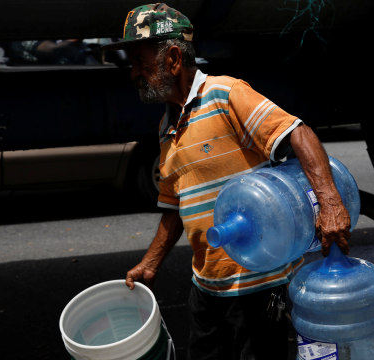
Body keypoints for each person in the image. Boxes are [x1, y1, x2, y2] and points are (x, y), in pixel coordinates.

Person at [103, 3, 351, 359]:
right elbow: (176, 205)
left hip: (261, 286)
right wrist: (152, 262)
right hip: (207, 288)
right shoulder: (165, 126)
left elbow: (299, 133)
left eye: (140, 63)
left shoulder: (225, 94)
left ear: (173, 59)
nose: (133, 75)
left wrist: (330, 203)